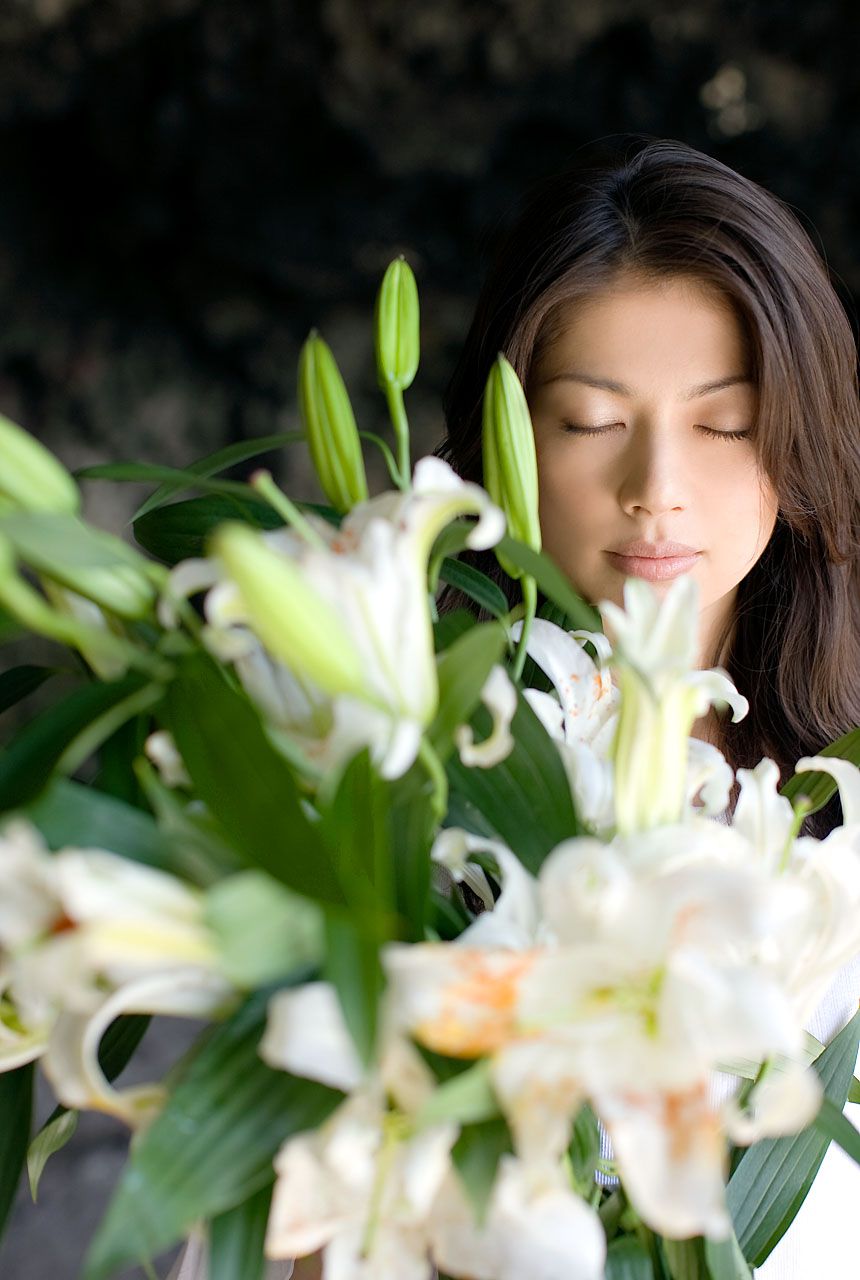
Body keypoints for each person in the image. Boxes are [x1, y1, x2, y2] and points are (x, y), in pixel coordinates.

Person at [435, 133, 860, 1277]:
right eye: (587, 420)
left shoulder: (843, 778)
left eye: (722, 421)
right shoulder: (422, 768)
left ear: (795, 434)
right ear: (504, 443)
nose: (656, 487)